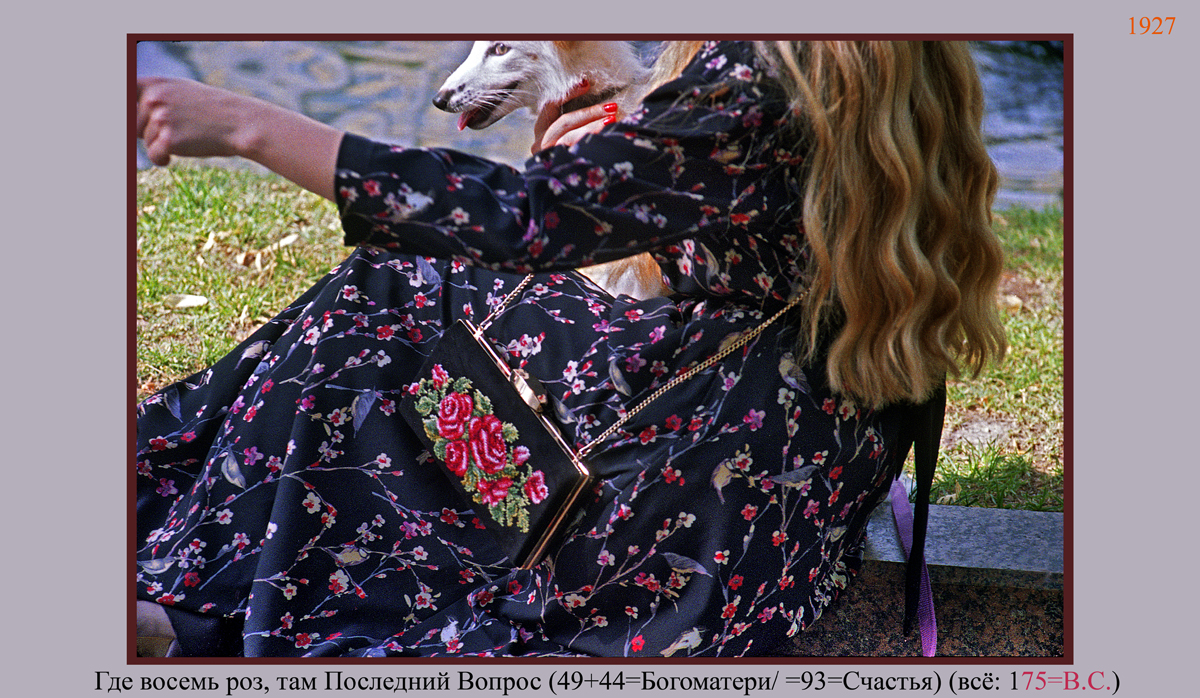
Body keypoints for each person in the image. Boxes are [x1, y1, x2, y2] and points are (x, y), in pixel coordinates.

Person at [135, 40, 1006, 657]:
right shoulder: (878, 51)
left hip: (694, 479)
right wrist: (637, 156)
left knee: (394, 284)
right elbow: (770, 214)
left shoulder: (757, 69)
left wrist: (246, 125)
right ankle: (208, 575)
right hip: (813, 447)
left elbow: (522, 221)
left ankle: (195, 605)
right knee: (432, 315)